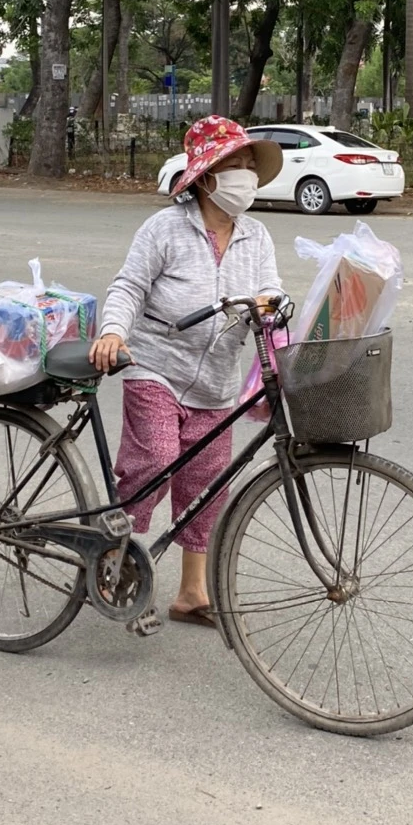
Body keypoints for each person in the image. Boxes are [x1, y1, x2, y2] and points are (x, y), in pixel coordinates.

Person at [90, 115, 283, 627]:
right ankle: (112, 560)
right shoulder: (165, 229)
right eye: (235, 164)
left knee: (206, 484)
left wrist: (272, 305)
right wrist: (113, 332)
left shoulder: (257, 236)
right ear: (205, 177)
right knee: (155, 460)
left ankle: (191, 593)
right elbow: (129, 286)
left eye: (250, 164)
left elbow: (272, 290)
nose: (246, 174)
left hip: (217, 381)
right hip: (156, 365)